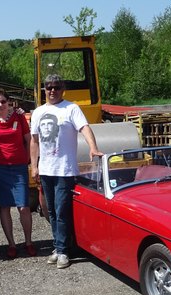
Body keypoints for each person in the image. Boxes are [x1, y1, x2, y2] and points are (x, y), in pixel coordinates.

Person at [30, 74, 103, 269]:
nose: (52, 90)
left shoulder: (71, 108)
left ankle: (63, 251)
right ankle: (58, 246)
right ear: (44, 89)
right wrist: (34, 166)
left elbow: (85, 128)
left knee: (62, 211)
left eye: (56, 87)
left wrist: (93, 147)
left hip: (64, 169)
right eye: (48, 87)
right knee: (51, 211)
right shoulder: (38, 112)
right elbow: (34, 141)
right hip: (46, 170)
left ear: (63, 90)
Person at [0, 89, 36, 259]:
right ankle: (12, 244)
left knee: (23, 207)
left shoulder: (19, 117)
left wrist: (28, 159)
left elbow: (28, 140)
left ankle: (28, 242)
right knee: (4, 206)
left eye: (3, 101)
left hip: (19, 167)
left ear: (8, 102)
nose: (0, 105)